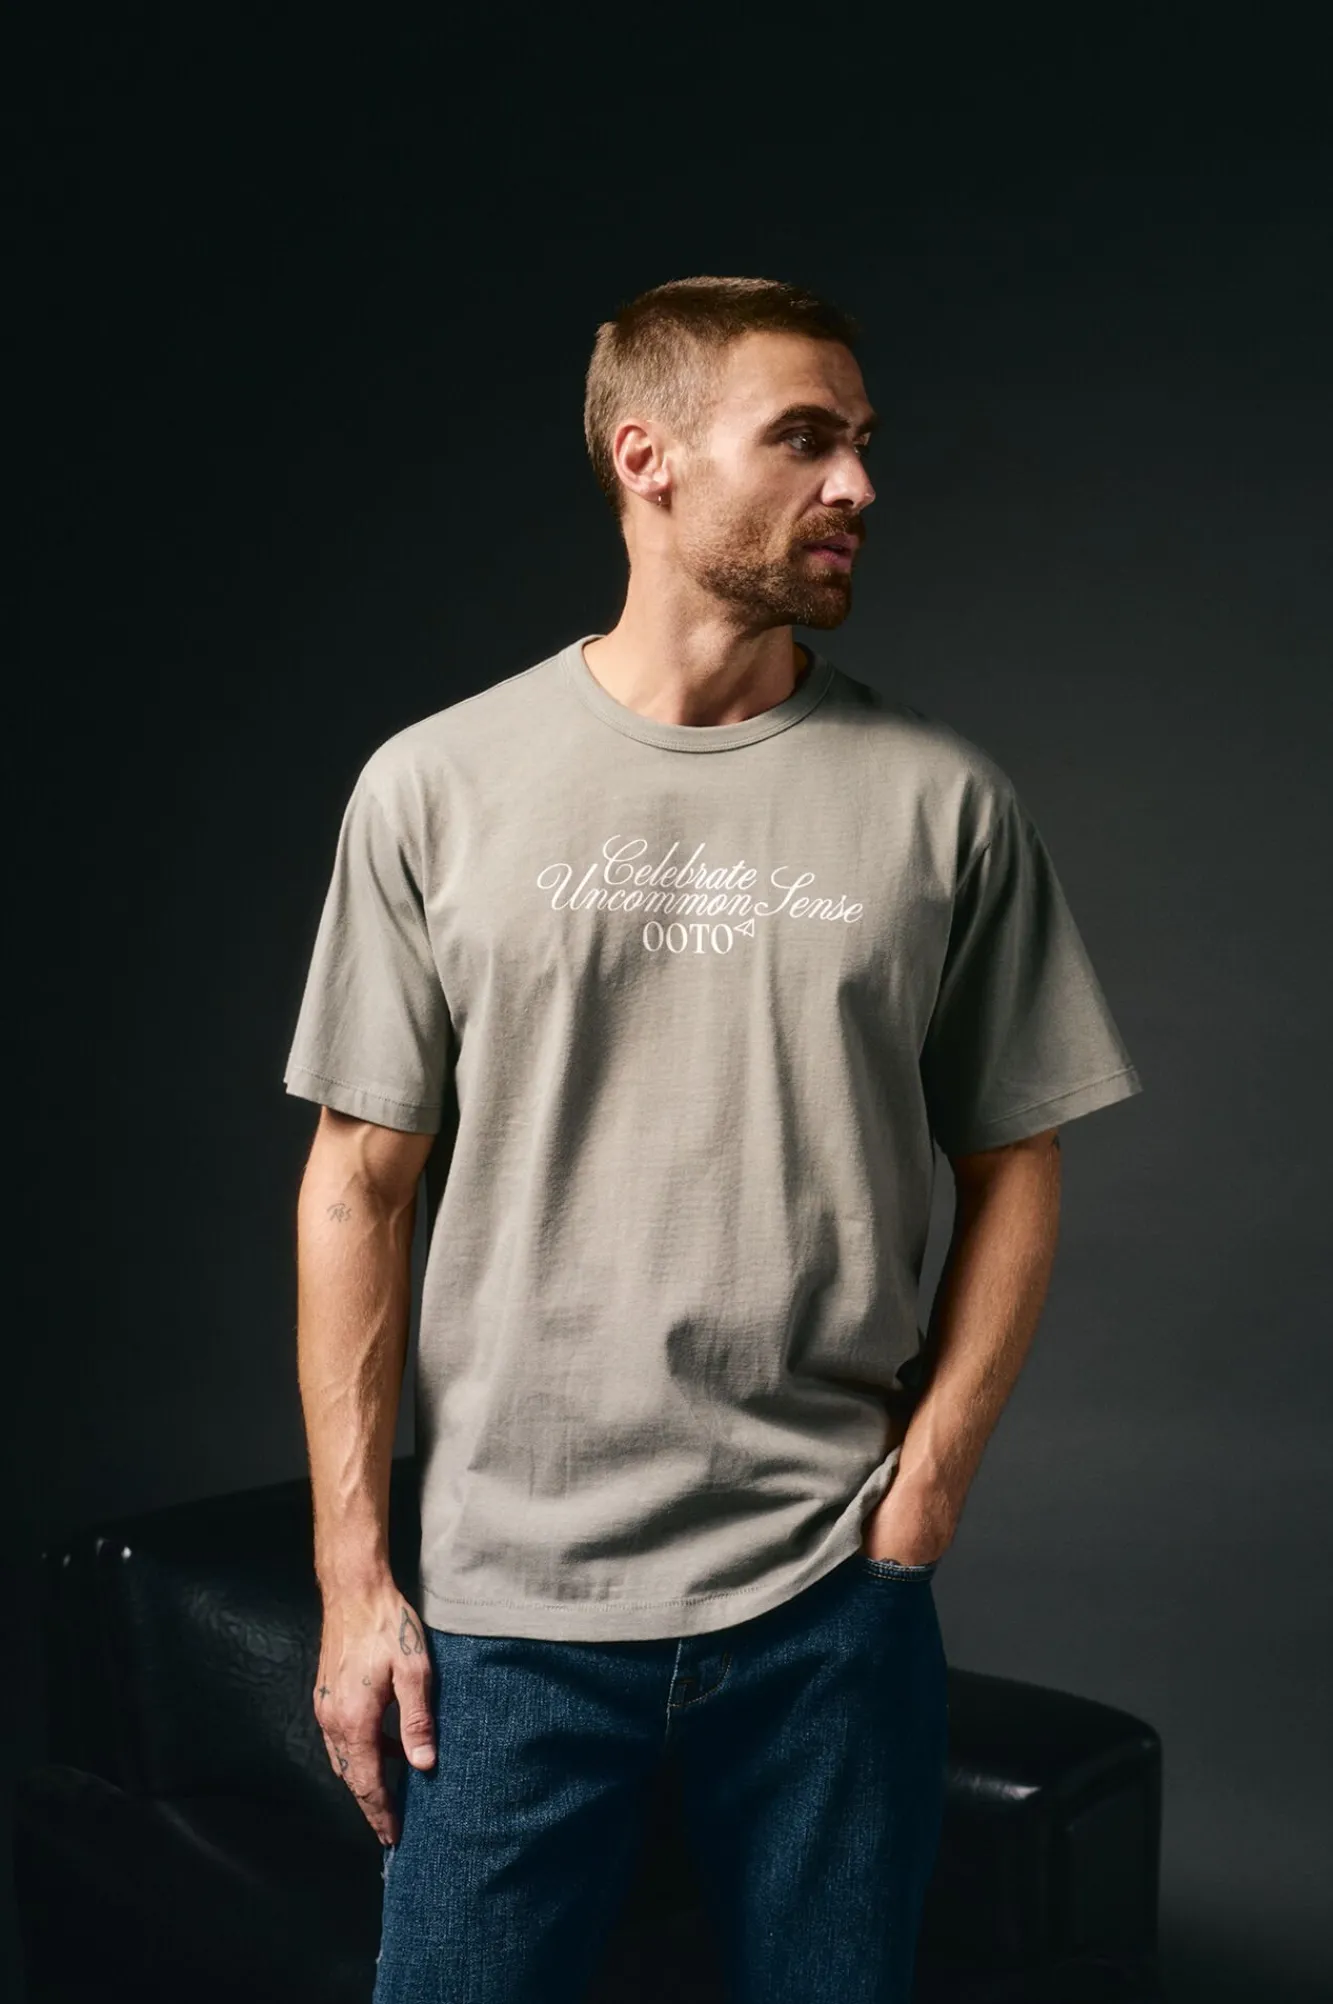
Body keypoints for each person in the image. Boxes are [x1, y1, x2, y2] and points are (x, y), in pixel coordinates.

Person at [282, 275, 1143, 2004]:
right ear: (647, 458)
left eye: (864, 443)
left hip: (828, 1605)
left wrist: (927, 1493)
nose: (858, 485)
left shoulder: (945, 802)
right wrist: (354, 1581)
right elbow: (359, 1186)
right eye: (806, 439)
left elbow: (1017, 1162)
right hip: (510, 1614)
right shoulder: (435, 786)